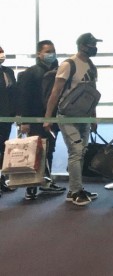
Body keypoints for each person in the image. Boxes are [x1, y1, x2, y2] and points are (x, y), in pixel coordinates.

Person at [43, 33, 102, 206]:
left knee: (81, 151)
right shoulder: (68, 64)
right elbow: (55, 92)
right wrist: (48, 117)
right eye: (91, 44)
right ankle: (76, 191)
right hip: (67, 116)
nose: (94, 48)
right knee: (76, 151)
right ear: (82, 46)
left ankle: (75, 188)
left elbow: (92, 94)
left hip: (84, 116)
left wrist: (93, 117)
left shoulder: (91, 66)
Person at [16, 40, 65, 199]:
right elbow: (24, 98)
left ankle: (46, 182)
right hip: (35, 119)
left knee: (49, 150)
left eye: (53, 50)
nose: (51, 54)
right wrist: (25, 121)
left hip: (53, 118)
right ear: (39, 54)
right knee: (35, 152)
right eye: (48, 51)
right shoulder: (31, 72)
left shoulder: (59, 71)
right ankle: (31, 187)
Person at [0, 45, 17, 195]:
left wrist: (16, 114)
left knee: (3, 149)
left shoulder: (8, 72)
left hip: (6, 117)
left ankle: (2, 180)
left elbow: (14, 93)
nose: (1, 55)